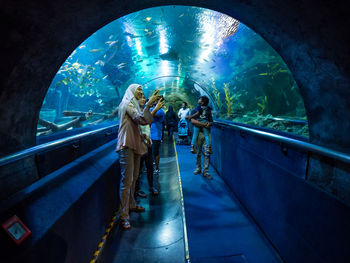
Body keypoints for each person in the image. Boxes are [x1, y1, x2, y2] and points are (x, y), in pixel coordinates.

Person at [116, 84, 160, 230]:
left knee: (134, 177)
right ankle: (124, 216)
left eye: (142, 90)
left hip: (135, 143)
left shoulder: (133, 104)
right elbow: (140, 119)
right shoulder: (127, 103)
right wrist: (149, 104)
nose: (141, 92)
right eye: (138, 90)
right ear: (131, 91)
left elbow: (142, 121)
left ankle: (132, 204)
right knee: (126, 180)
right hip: (126, 143)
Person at [135, 95, 163, 198]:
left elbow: (148, 122)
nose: (142, 99)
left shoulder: (146, 111)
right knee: (138, 168)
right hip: (139, 143)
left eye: (144, 98)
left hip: (148, 143)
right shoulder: (135, 111)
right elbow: (141, 123)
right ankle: (137, 189)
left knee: (149, 166)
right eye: (140, 98)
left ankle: (151, 186)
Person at [150, 96, 165, 176]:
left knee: (155, 151)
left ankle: (157, 168)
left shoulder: (161, 112)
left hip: (156, 134)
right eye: (156, 100)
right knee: (150, 151)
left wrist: (148, 106)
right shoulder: (152, 109)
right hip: (150, 133)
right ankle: (151, 166)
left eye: (158, 100)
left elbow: (152, 115)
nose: (156, 102)